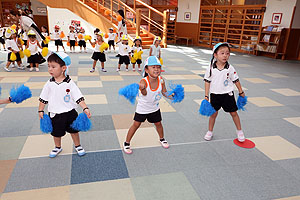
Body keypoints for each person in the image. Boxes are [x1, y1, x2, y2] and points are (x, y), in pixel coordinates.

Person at [38, 52, 91, 158]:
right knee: (56, 133)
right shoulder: (49, 84)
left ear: (63, 68)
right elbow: (43, 98)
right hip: (55, 113)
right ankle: (57, 147)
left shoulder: (70, 83)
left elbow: (78, 97)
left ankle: (78, 145)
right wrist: (41, 110)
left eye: (53, 67)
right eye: (49, 66)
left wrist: (85, 107)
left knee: (74, 131)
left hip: (70, 112)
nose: (50, 69)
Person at [123, 56, 172, 154]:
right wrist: (142, 88)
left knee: (158, 123)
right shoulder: (143, 81)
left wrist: (172, 96)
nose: (156, 69)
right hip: (143, 108)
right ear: (146, 69)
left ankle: (162, 138)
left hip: (154, 107)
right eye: (153, 67)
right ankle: (126, 143)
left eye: (158, 67)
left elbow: (165, 92)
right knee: (136, 125)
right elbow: (144, 94)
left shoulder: (161, 80)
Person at [203, 42, 246, 142]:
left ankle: (240, 131)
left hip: (228, 95)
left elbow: (236, 80)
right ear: (215, 55)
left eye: (227, 53)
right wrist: (206, 95)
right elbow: (207, 81)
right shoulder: (210, 68)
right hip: (215, 95)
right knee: (213, 114)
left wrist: (241, 91)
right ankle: (210, 131)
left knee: (234, 113)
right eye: (222, 53)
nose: (225, 55)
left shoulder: (230, 68)